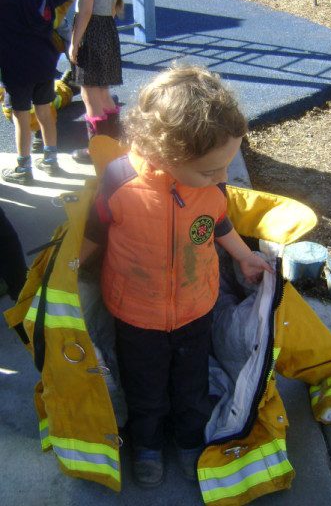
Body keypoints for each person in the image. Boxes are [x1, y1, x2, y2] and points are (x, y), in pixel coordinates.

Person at [80, 64, 273, 487]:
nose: (223, 178)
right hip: (135, 312)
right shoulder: (120, 181)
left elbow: (218, 222)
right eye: (211, 170)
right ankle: (146, 442)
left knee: (191, 383)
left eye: (225, 167)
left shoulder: (210, 186)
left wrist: (243, 256)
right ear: (167, 154)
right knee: (144, 384)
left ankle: (189, 438)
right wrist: (76, 268)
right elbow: (96, 228)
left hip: (195, 306)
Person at [0, 0, 76, 154]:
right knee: (44, 109)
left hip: (14, 68)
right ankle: (50, 157)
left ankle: (24, 165)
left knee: (19, 114)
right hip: (43, 60)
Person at [69, 0, 123, 164]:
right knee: (103, 93)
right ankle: (114, 142)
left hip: (92, 37)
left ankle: (97, 150)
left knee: (89, 95)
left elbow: (84, 12)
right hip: (108, 37)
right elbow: (111, 10)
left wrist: (74, 42)